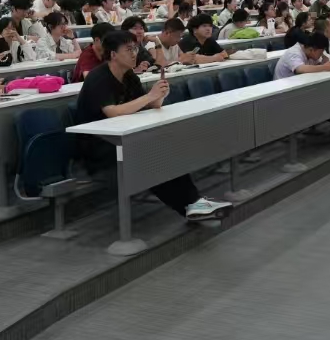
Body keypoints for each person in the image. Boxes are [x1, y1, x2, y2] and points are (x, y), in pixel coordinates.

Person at [74, 31, 232, 220]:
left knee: (164, 147)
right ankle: (190, 205)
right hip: (99, 146)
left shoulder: (129, 75)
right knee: (151, 156)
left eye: (135, 48)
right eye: (129, 50)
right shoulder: (98, 77)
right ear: (113, 54)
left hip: (125, 137)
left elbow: (147, 104)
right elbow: (113, 112)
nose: (135, 53)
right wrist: (150, 96)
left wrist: (159, 95)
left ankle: (194, 202)